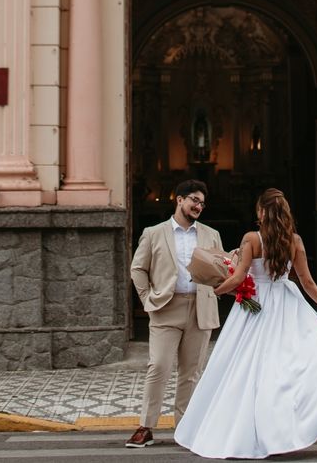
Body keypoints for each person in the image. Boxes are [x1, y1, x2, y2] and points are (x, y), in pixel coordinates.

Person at [174, 188, 317, 459]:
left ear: (261, 212)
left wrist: (216, 290)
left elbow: (238, 277)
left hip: (256, 305)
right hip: (286, 303)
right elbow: (307, 281)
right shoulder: (294, 241)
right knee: (284, 367)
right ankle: (286, 426)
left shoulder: (252, 239)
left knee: (242, 365)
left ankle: (243, 428)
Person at [126, 179, 223, 448]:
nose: (198, 206)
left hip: (200, 309)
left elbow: (220, 268)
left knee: (191, 373)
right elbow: (138, 269)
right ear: (179, 200)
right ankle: (146, 426)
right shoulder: (154, 233)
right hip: (166, 308)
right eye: (194, 200)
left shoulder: (211, 235)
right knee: (158, 366)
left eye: (202, 203)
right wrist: (147, 299)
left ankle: (185, 428)